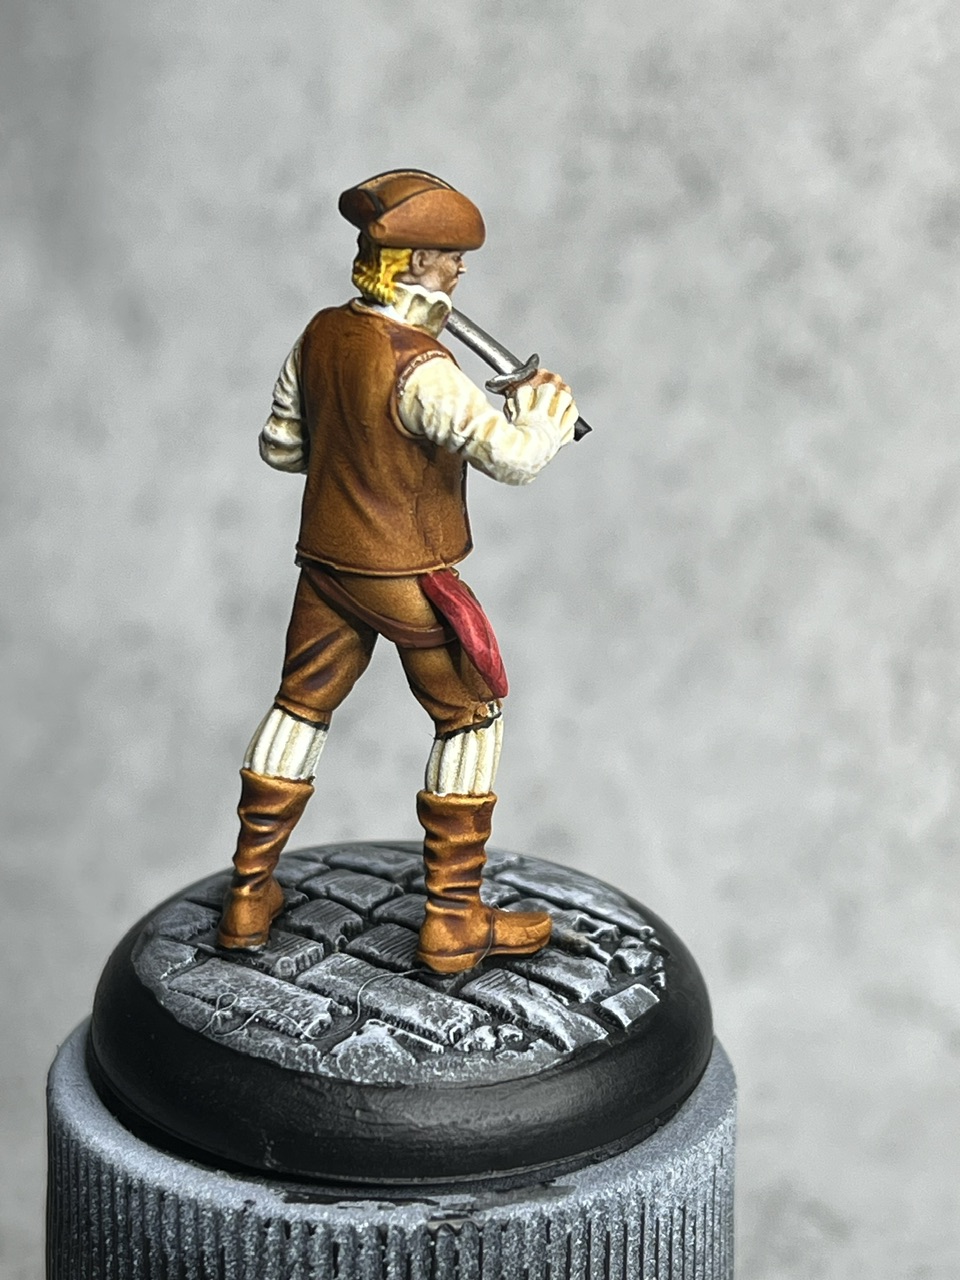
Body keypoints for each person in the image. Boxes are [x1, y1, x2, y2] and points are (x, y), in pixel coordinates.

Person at [217, 169, 580, 973]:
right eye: (450, 257)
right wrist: (545, 416)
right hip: (407, 577)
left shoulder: (319, 335)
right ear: (414, 263)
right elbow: (514, 460)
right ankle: (453, 919)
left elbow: (281, 448)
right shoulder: (426, 370)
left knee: (299, 708)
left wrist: (353, 454)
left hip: (325, 568)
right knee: (472, 716)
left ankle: (247, 894)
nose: (460, 270)